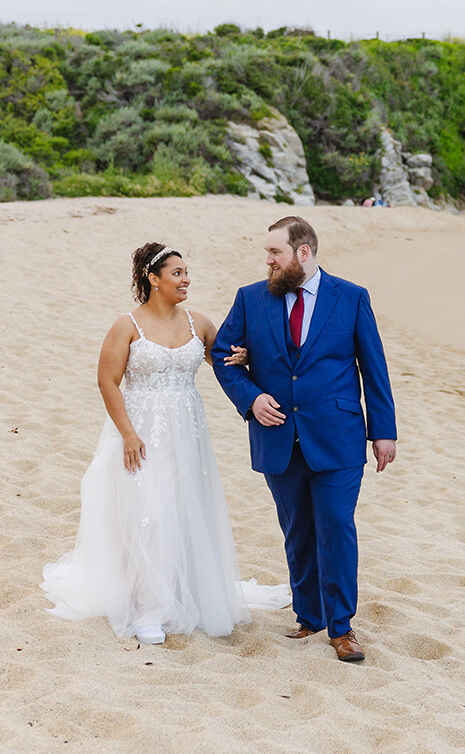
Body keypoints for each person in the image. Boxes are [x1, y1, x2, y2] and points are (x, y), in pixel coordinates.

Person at [42, 243, 289, 645]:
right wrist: (127, 434)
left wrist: (242, 355)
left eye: (187, 272)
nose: (186, 279)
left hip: (188, 433)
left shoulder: (198, 324)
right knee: (149, 513)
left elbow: (224, 357)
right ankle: (147, 608)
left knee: (182, 510)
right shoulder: (127, 326)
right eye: (177, 273)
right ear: (152, 279)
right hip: (140, 433)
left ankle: (181, 594)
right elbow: (107, 381)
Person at [211, 216, 396, 662]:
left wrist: (383, 432)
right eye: (267, 254)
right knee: (296, 530)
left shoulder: (351, 298)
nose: (268, 261)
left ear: (303, 252)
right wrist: (251, 399)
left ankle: (342, 627)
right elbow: (221, 355)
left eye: (275, 253)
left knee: (335, 526)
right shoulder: (251, 298)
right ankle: (309, 617)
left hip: (337, 436)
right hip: (277, 436)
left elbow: (374, 367)